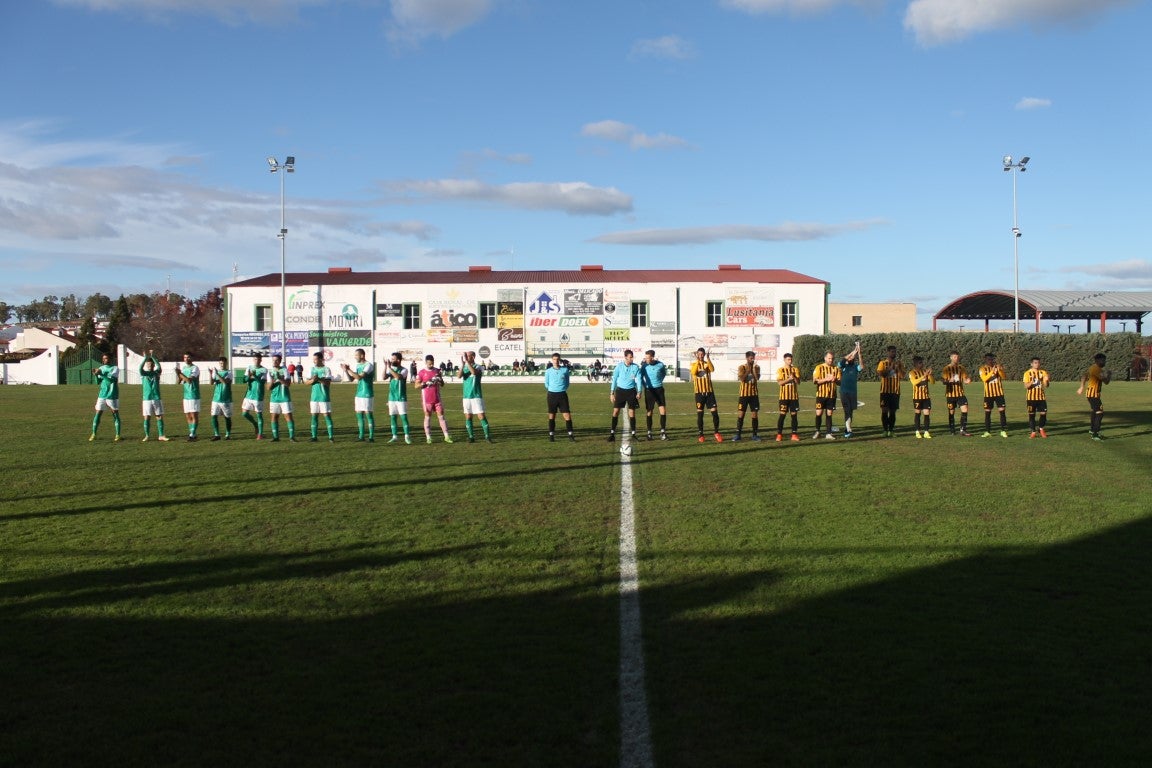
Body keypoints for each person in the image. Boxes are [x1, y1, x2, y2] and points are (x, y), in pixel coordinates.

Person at [341, 348, 376, 442]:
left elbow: (359, 377)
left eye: (356, 355)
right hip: (359, 394)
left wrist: (349, 369)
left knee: (369, 415)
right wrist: (346, 371)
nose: (355, 357)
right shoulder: (358, 365)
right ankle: (361, 436)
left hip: (367, 393)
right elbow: (352, 379)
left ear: (362, 355)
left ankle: (371, 437)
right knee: (359, 415)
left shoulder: (368, 365)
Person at [417, 354, 453, 443]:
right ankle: (428, 437)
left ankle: (446, 436)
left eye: (432, 363)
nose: (431, 365)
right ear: (426, 362)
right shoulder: (421, 372)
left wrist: (439, 380)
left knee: (441, 416)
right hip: (427, 399)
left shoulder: (437, 371)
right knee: (427, 416)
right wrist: (424, 383)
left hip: (437, 398)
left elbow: (442, 384)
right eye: (429, 364)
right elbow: (416, 385)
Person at [607, 349, 642, 443]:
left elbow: (638, 380)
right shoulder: (619, 366)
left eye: (632, 357)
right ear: (625, 357)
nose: (632, 359)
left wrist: (639, 391)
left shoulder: (636, 367)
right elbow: (614, 380)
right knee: (615, 412)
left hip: (631, 392)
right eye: (630, 357)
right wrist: (611, 393)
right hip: (620, 391)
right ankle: (612, 434)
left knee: (632, 413)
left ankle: (634, 434)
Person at [1076, 353, 1112, 441]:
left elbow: (1084, 376)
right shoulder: (1096, 369)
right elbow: (1106, 381)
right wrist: (1109, 375)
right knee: (1100, 412)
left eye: (1104, 360)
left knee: (1095, 411)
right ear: (1097, 360)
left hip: (1091, 394)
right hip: (1093, 394)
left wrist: (1081, 387)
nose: (1104, 362)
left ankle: (1092, 430)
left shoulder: (1092, 368)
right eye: (1103, 360)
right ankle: (1095, 434)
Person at [89, 352, 123, 441]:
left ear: (110, 359)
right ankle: (94, 433)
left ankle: (118, 435)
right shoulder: (101, 368)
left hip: (112, 394)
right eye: (103, 358)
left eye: (106, 358)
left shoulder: (115, 368)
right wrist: (96, 375)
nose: (104, 360)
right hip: (102, 394)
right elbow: (98, 382)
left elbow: (112, 380)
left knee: (115, 414)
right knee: (98, 413)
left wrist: (102, 374)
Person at [690, 347, 722, 443]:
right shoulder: (693, 364)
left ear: (704, 354)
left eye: (702, 354)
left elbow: (712, 369)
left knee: (715, 414)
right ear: (697, 354)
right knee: (700, 415)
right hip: (699, 393)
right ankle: (701, 434)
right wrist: (697, 361)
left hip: (709, 393)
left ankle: (716, 432)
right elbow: (693, 372)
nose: (701, 355)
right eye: (699, 354)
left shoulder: (707, 364)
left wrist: (708, 359)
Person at [460, 350, 492, 443]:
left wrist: (466, 363)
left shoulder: (479, 367)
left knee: (481, 416)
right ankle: (471, 437)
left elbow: (473, 372)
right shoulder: (465, 366)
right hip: (466, 397)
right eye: (466, 356)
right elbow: (458, 376)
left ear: (473, 357)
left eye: (468, 356)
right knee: (468, 417)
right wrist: (463, 364)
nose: (466, 357)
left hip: (476, 396)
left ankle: (487, 436)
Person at [940, 351, 973, 436]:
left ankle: (963, 429)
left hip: (960, 393)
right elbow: (943, 381)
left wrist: (967, 381)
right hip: (950, 394)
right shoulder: (946, 369)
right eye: (954, 357)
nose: (956, 358)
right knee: (951, 412)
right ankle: (952, 429)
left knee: (965, 409)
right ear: (951, 358)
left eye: (957, 357)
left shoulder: (961, 368)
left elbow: (965, 379)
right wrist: (948, 381)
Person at [545, 353, 576, 442]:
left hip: (562, 395)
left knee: (567, 415)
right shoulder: (548, 371)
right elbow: (546, 383)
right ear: (552, 360)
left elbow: (567, 382)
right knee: (552, 416)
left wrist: (562, 389)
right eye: (554, 359)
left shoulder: (565, 370)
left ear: (560, 360)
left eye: (557, 359)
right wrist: (552, 389)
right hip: (552, 395)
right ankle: (551, 435)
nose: (556, 361)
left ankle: (570, 435)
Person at [139, 350, 169, 442]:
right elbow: (140, 368)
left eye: (151, 364)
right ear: (146, 366)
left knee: (159, 416)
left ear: (153, 365)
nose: (150, 366)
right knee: (147, 417)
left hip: (156, 398)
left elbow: (159, 367)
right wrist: (145, 358)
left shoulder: (156, 373)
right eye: (148, 365)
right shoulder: (144, 373)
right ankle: (147, 435)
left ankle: (161, 435)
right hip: (147, 398)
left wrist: (153, 357)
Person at [384, 352, 413, 444]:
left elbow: (398, 377)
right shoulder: (391, 369)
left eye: (393, 359)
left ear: (398, 360)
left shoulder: (404, 370)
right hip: (391, 398)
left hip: (401, 397)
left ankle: (407, 436)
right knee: (393, 417)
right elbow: (383, 377)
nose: (391, 360)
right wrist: (385, 367)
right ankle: (394, 436)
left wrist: (389, 368)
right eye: (391, 359)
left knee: (403, 417)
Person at [640, 349, 669, 441]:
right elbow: (640, 377)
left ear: (652, 357)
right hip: (649, 391)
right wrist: (645, 386)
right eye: (645, 357)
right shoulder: (644, 366)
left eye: (647, 358)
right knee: (649, 411)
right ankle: (649, 433)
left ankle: (663, 432)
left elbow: (663, 374)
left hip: (659, 389)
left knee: (663, 411)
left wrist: (659, 381)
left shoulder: (660, 365)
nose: (646, 359)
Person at [978, 352, 1009, 438]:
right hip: (988, 394)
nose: (990, 361)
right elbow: (984, 379)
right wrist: (992, 371)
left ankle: (1003, 431)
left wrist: (1000, 370)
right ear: (985, 359)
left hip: (999, 393)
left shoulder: (997, 367)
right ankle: (987, 431)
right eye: (988, 359)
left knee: (1002, 411)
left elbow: (1004, 377)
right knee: (988, 413)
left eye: (992, 359)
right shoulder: (982, 369)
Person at [733, 350, 761, 442]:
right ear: (747, 358)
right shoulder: (742, 367)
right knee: (741, 414)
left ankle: (754, 435)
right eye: (751, 358)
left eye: (753, 358)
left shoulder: (757, 367)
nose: (752, 360)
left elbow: (757, 378)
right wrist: (748, 371)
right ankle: (738, 434)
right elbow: (741, 379)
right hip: (743, 395)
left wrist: (753, 371)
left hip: (754, 395)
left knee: (754, 415)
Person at [876, 345, 904, 438]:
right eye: (892, 351)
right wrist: (891, 367)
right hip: (885, 391)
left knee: (893, 411)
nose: (894, 353)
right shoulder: (882, 363)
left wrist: (898, 368)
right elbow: (882, 374)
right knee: (884, 410)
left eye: (895, 351)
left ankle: (891, 430)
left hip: (895, 391)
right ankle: (885, 430)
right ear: (888, 352)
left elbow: (902, 376)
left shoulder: (899, 363)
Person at [307, 350, 335, 442]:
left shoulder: (326, 369)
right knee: (314, 416)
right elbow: (307, 382)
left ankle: (331, 437)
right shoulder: (312, 369)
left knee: (327, 415)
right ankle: (314, 436)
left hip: (324, 397)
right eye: (313, 359)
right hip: (314, 397)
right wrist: (313, 380)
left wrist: (318, 379)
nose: (314, 361)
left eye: (316, 359)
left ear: (321, 359)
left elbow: (328, 383)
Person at [268, 354, 297, 442]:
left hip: (285, 398)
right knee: (274, 417)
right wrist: (272, 381)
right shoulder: (270, 372)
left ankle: (292, 437)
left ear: (280, 361)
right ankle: (276, 437)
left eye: (276, 360)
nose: (274, 362)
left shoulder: (285, 370)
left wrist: (280, 378)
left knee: (288, 417)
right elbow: (268, 388)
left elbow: (288, 384)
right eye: (273, 360)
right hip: (274, 398)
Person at [812, 350, 840, 440]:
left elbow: (840, 382)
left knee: (829, 413)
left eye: (832, 358)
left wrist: (835, 379)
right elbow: (815, 381)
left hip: (832, 395)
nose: (831, 360)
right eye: (829, 358)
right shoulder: (819, 367)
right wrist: (826, 379)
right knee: (819, 413)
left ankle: (828, 433)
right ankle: (817, 431)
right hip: (821, 395)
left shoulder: (836, 369)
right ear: (825, 358)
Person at [837, 341, 863, 438]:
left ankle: (847, 428)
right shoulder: (843, 365)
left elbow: (862, 366)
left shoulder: (855, 367)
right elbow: (842, 361)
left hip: (853, 392)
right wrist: (853, 351)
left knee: (850, 411)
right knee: (847, 410)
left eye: (853, 357)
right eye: (850, 357)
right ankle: (848, 429)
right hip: (844, 392)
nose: (852, 357)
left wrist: (859, 354)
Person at [775, 352, 801, 442]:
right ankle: (779, 434)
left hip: (794, 397)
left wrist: (794, 377)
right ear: (784, 360)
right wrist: (789, 379)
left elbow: (798, 382)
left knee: (794, 416)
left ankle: (794, 434)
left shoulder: (795, 369)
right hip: (784, 397)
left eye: (791, 359)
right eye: (788, 359)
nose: (790, 361)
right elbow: (780, 383)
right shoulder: (780, 370)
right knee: (782, 415)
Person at [175, 352, 201, 442]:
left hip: (193, 394)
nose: (186, 359)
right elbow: (178, 382)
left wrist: (180, 373)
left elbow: (189, 380)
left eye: (188, 357)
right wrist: (178, 374)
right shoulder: (184, 368)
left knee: (194, 415)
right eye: (185, 357)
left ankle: (192, 435)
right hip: (186, 395)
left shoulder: (195, 368)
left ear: (191, 358)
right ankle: (192, 434)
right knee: (188, 416)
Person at [242, 354, 268, 440]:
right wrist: (249, 376)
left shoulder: (264, 370)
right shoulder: (249, 367)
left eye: (259, 359)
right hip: (249, 395)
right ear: (253, 359)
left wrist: (254, 376)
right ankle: (255, 424)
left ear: (261, 360)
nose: (257, 361)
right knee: (244, 413)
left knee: (259, 415)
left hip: (258, 396)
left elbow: (261, 382)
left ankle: (260, 434)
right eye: (255, 359)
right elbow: (244, 380)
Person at [1023, 357, 1050, 439]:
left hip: (1041, 397)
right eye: (1035, 363)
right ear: (1031, 364)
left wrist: (1046, 380)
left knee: (1043, 413)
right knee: (1032, 415)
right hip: (1031, 398)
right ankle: (1033, 431)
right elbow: (1026, 386)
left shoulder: (1043, 372)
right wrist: (1033, 381)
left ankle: (1041, 428)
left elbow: (1047, 386)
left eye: (1038, 363)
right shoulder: (1027, 373)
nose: (1037, 364)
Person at [908, 355, 934, 439]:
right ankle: (917, 431)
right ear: (915, 363)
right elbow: (914, 382)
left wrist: (930, 375)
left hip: (926, 397)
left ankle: (926, 432)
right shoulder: (912, 373)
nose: (922, 364)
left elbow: (933, 382)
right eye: (920, 363)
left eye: (922, 362)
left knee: (927, 414)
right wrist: (923, 376)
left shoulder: (925, 371)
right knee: (918, 414)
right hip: (917, 397)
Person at [208, 356, 233, 441]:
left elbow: (225, 382)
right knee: (214, 416)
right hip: (216, 398)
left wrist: (217, 374)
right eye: (221, 363)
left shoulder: (229, 373)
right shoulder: (216, 372)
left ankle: (228, 434)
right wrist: (211, 374)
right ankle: (217, 434)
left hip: (226, 399)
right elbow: (211, 383)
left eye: (223, 363)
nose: (222, 364)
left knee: (227, 417)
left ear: (226, 363)